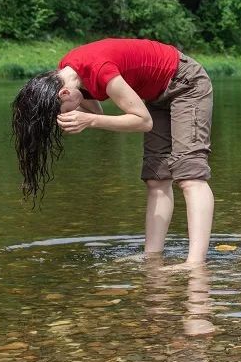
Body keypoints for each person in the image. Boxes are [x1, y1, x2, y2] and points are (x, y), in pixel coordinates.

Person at [11, 38, 214, 266]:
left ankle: (195, 263)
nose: (67, 115)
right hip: (155, 95)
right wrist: (88, 117)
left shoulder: (100, 69)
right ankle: (152, 256)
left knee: (189, 175)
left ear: (64, 94)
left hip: (186, 83)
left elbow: (143, 122)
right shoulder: (68, 71)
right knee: (156, 179)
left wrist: (90, 120)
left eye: (64, 111)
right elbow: (92, 103)